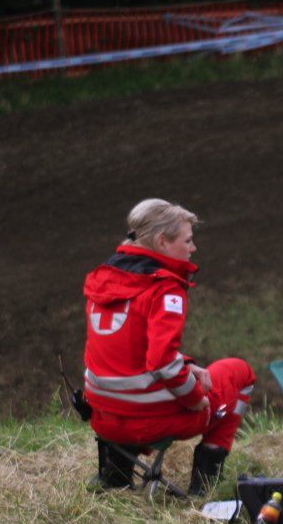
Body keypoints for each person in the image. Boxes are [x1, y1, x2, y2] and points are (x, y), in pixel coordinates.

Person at [83, 198, 256, 496]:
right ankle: (204, 486)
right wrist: (195, 400)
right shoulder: (164, 288)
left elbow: (129, 348)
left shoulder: (103, 280)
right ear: (163, 241)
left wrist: (186, 364)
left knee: (169, 378)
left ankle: (116, 474)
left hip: (103, 418)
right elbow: (162, 362)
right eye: (187, 240)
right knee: (240, 373)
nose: (193, 248)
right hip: (149, 422)